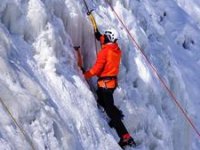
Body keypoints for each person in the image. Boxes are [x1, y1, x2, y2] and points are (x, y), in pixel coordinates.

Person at [83, 26, 136, 148]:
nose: (104, 38)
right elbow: (107, 42)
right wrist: (98, 34)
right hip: (110, 84)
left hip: (105, 85)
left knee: (110, 110)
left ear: (110, 38)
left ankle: (125, 136)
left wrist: (84, 74)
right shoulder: (116, 49)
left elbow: (96, 69)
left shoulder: (105, 51)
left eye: (106, 36)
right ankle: (117, 115)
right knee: (104, 103)